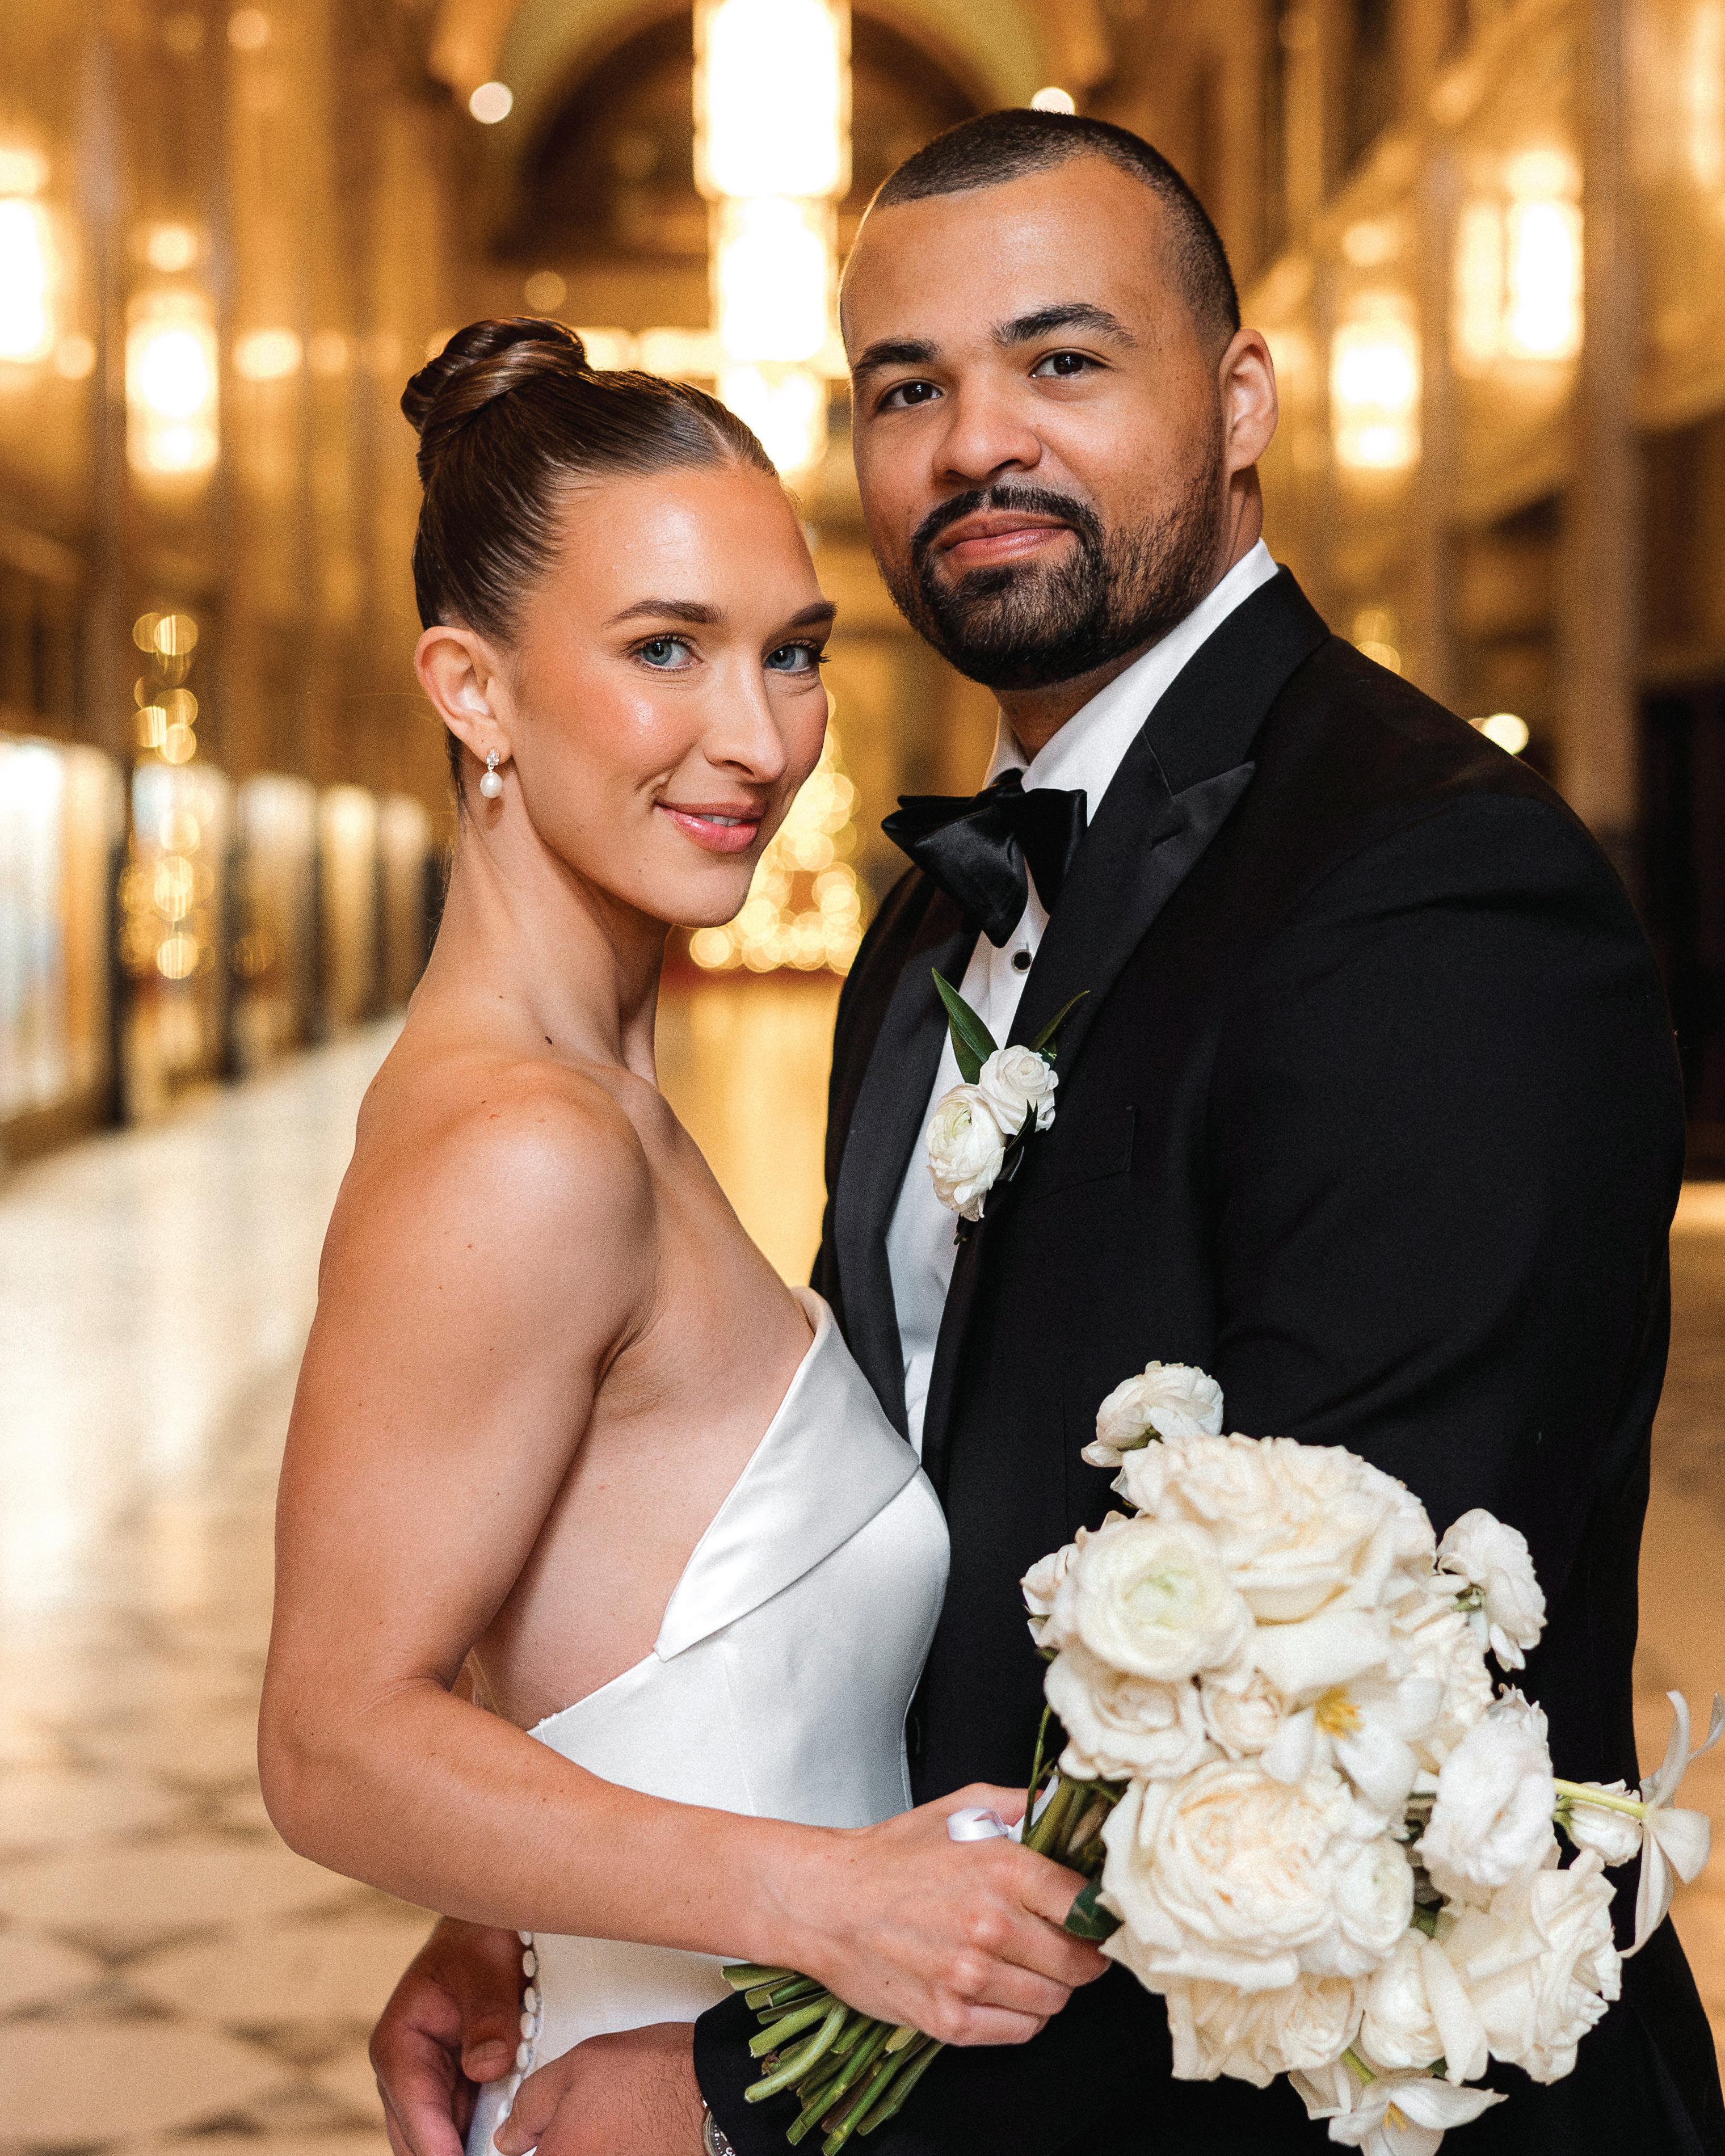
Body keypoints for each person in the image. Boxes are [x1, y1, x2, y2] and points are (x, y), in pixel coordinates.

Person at [370, 114, 1725, 2156]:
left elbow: (1343, 1750)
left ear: (1242, 401)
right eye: (905, 388)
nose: (976, 443)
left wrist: (740, 2094)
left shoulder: (1432, 893)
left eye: (1063, 361)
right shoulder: (930, 928)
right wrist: (565, 1884)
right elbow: (860, 1551)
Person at [256, 316, 1106, 2156]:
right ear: (472, 691)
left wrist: (509, 1901)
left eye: (792, 653)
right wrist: (827, 1902)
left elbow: (597, 1647)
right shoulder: (526, 1151)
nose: (759, 738)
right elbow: (331, 1740)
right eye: (665, 650)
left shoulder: (607, 1106)